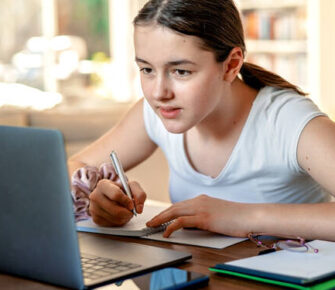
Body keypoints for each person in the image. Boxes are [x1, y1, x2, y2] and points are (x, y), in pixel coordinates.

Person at [68, 0, 335, 242]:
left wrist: (244, 217)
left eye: (181, 71)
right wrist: (100, 199)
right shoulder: (157, 112)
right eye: (147, 69)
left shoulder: (288, 120)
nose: (159, 92)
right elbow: (73, 166)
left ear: (231, 65)